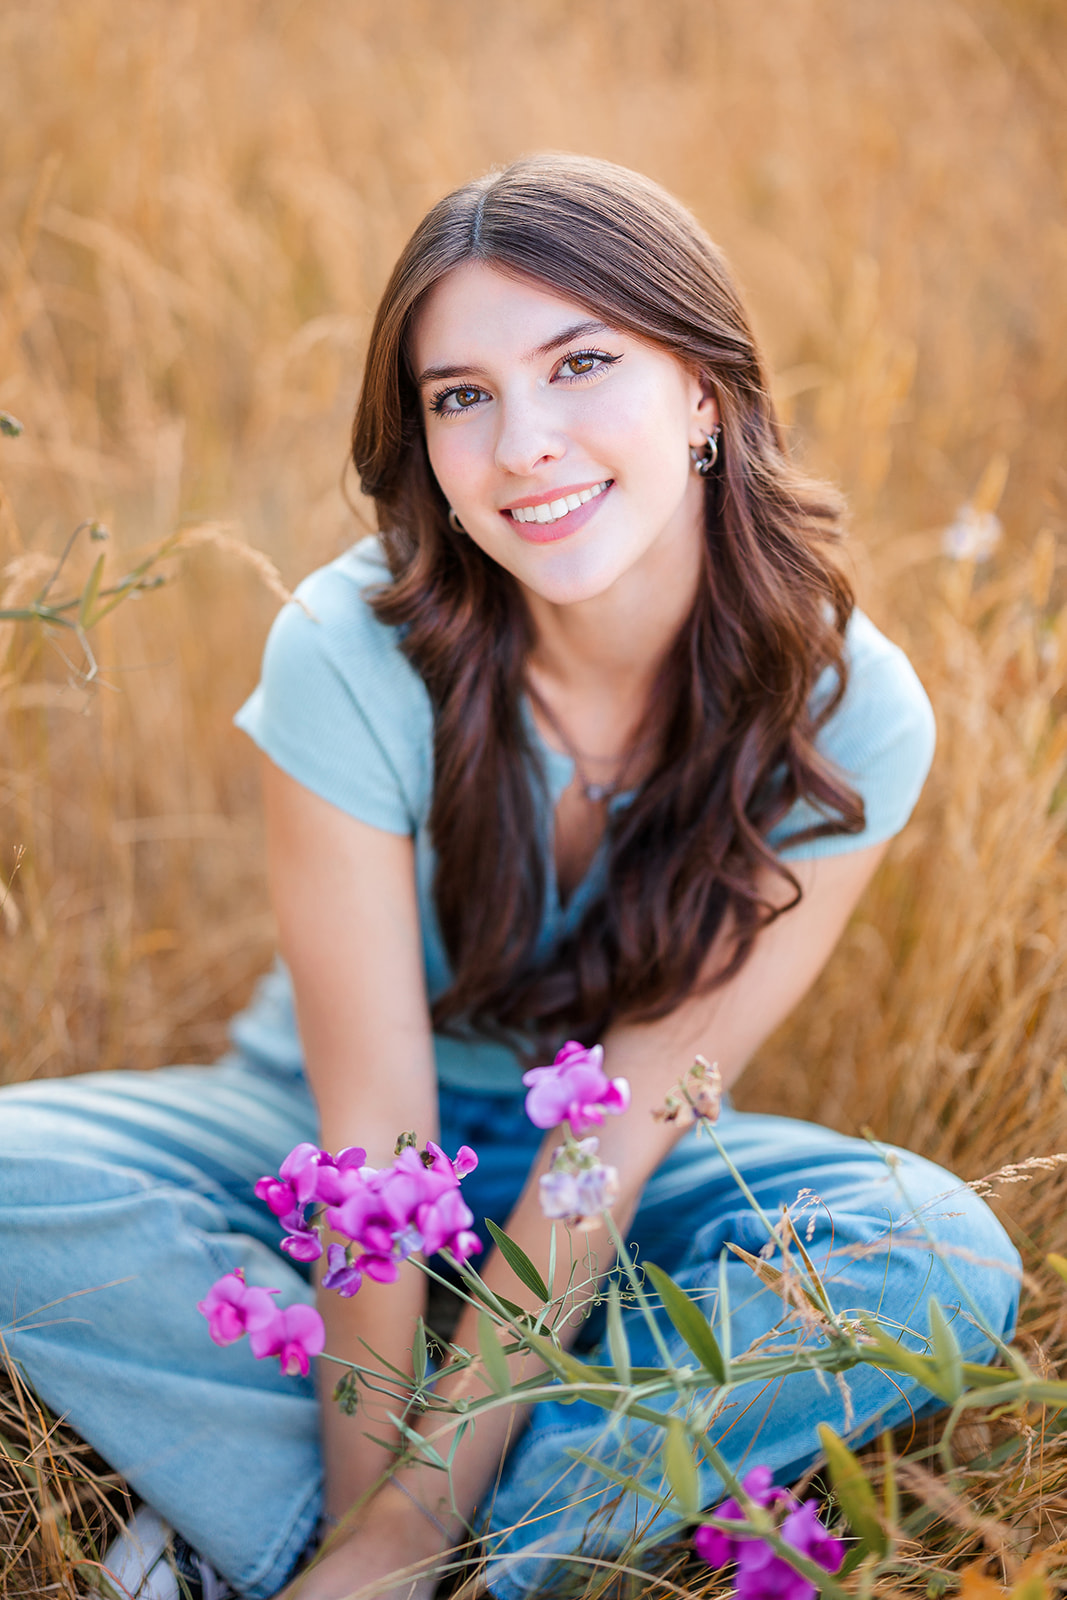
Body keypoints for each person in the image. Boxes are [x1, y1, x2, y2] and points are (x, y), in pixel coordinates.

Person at [0, 154, 1021, 1600]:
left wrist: (414, 1527)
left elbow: (624, 1139)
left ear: (706, 392)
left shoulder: (850, 710)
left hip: (615, 1180)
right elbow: (373, 1147)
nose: (524, 443)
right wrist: (377, 1517)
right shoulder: (348, 647)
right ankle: (365, 1540)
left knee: (935, 1252)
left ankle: (461, 1559)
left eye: (582, 363)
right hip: (311, 1123)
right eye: (461, 396)